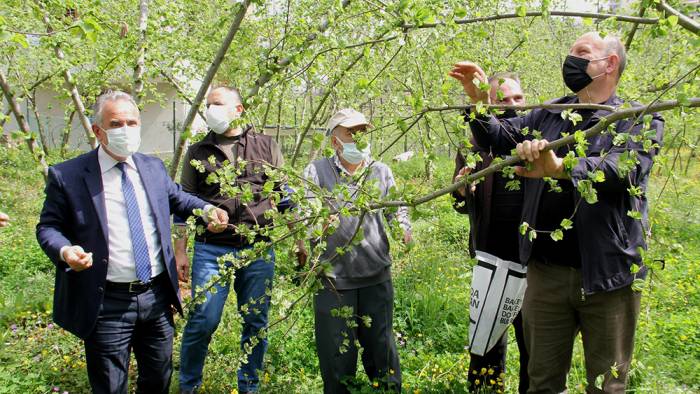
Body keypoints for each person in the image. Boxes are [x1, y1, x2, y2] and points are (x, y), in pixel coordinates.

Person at [450, 32, 664, 393]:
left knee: (607, 385)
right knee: (542, 382)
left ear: (609, 63)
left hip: (610, 275)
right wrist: (479, 102)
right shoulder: (551, 113)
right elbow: (498, 138)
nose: (571, 60)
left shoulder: (637, 118)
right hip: (546, 275)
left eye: (582, 53)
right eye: (569, 52)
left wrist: (560, 166)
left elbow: (623, 170)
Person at [35, 90, 229, 394]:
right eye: (116, 124)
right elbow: (48, 227)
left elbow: (178, 198)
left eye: (132, 122)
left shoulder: (151, 167)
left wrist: (207, 209)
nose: (126, 130)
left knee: (158, 379)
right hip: (106, 302)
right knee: (111, 386)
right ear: (98, 131)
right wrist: (64, 250)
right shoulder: (68, 175)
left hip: (155, 297)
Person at [176, 86, 298, 394]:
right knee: (203, 319)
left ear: (238, 110)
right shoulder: (197, 152)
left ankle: (249, 387)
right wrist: (181, 252)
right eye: (208, 104)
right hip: (212, 249)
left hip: (258, 248)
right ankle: (188, 386)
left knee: (256, 321)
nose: (210, 109)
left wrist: (300, 240)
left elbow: (284, 197)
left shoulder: (265, 146)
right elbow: (181, 205)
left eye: (217, 103)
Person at [300, 108, 412, 394]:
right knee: (337, 360)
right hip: (333, 282)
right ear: (334, 140)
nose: (358, 138)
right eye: (351, 132)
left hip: (375, 277)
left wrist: (403, 231)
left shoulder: (380, 170)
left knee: (382, 353)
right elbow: (304, 218)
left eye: (362, 131)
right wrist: (318, 223)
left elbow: (397, 210)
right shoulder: (316, 172)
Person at [452, 72, 529, 393]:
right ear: (489, 103)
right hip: (490, 258)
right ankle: (485, 388)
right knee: (485, 342)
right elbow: (457, 200)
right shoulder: (474, 144)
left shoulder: (538, 139)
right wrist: (460, 189)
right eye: (502, 100)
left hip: (532, 263)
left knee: (535, 347)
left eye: (517, 99)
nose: (511, 106)